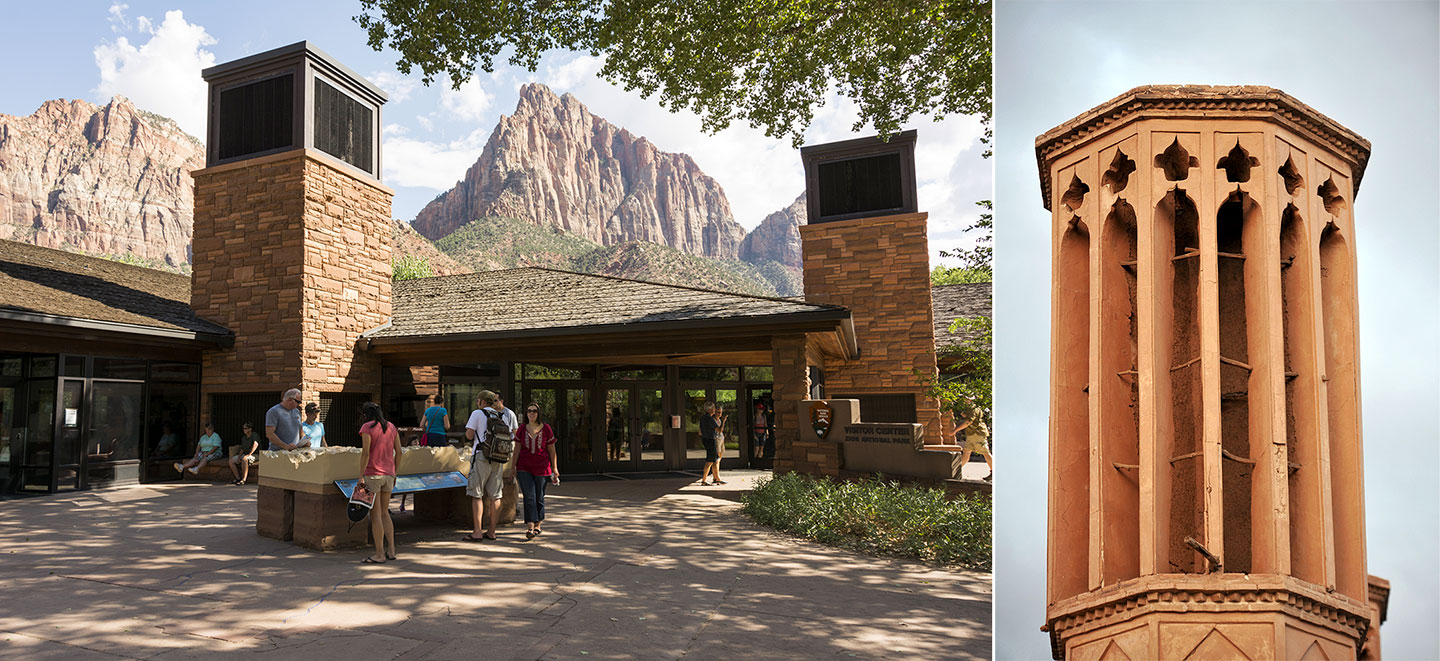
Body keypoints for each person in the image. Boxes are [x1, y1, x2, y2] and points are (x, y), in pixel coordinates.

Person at [461, 390, 511, 542]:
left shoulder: (477, 413)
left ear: (482, 402)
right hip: (498, 457)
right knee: (495, 495)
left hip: (482, 456)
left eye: (478, 400)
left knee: (477, 494)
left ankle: (477, 531)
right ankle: (492, 531)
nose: (477, 403)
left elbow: (469, 435)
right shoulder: (500, 416)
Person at [357, 401, 401, 564]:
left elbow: (365, 453)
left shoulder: (367, 427)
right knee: (385, 513)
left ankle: (379, 553)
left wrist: (360, 476)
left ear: (365, 415)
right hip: (389, 474)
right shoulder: (391, 427)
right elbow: (400, 452)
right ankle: (392, 550)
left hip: (373, 474)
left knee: (375, 515)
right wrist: (395, 471)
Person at [514, 402, 559, 539]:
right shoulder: (522, 429)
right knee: (529, 497)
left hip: (542, 467)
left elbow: (552, 450)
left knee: (539, 496)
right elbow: (517, 449)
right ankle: (530, 526)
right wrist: (512, 467)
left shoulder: (546, 429)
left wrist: (555, 468)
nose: (531, 413)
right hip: (524, 467)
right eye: (529, 411)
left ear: (539, 413)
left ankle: (539, 523)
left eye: (534, 411)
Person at [956, 408, 993, 481]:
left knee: (985, 453)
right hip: (971, 434)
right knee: (966, 453)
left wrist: (955, 430)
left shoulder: (973, 408)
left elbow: (968, 422)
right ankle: (955, 472)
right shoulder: (969, 408)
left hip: (977, 434)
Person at [698, 401, 727, 485]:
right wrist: (724, 421)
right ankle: (704, 480)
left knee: (714, 459)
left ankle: (716, 478)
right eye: (713, 408)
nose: (714, 410)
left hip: (706, 439)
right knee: (710, 460)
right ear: (710, 409)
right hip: (710, 440)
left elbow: (700, 431)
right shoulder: (709, 418)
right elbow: (719, 430)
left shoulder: (703, 418)